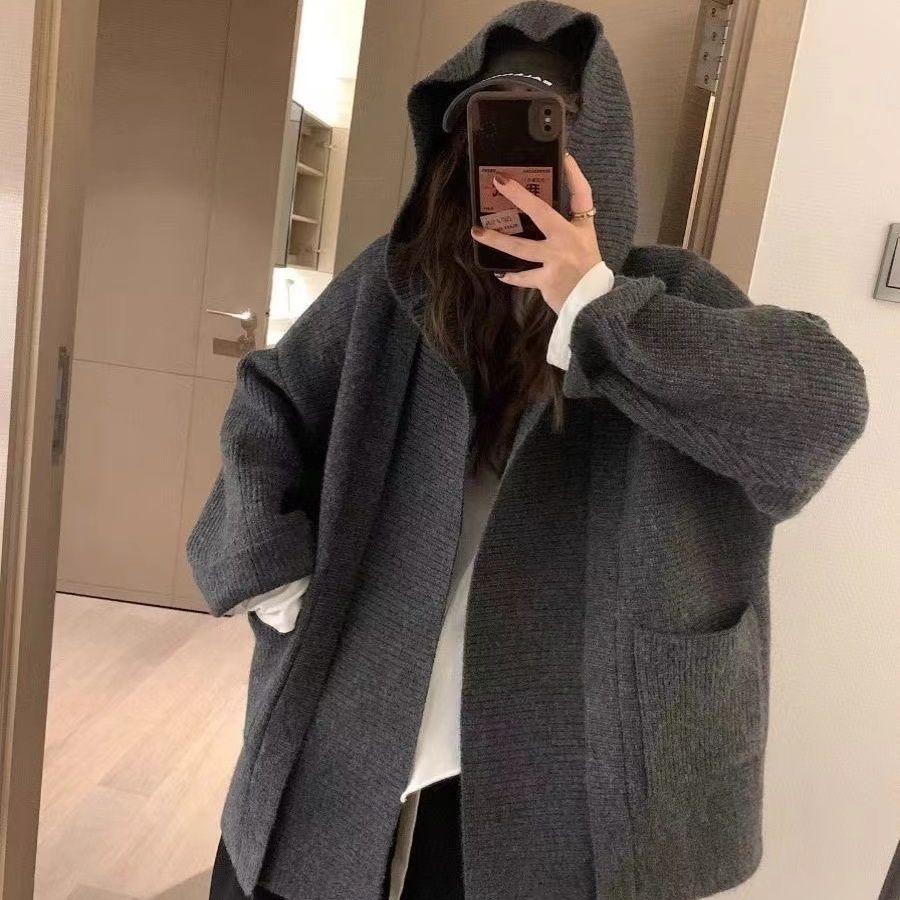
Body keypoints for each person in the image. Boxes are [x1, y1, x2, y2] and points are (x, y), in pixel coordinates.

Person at [187, 3, 869, 899]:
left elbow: (823, 406)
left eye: (552, 124)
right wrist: (272, 574)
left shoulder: (668, 297)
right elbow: (266, 400)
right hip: (355, 710)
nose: (517, 164)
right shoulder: (392, 291)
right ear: (453, 147)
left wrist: (595, 308)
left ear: (600, 146)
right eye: (492, 122)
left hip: (578, 749)